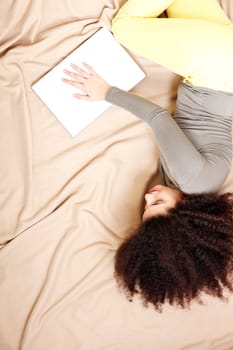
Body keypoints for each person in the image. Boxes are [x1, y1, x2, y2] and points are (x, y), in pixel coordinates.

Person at [62, 0, 233, 310]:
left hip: (222, 63)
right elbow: (158, 118)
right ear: (184, 217)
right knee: (125, 27)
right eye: (157, 203)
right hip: (214, 65)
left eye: (146, 208)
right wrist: (105, 92)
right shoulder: (190, 179)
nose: (147, 196)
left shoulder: (201, 190)